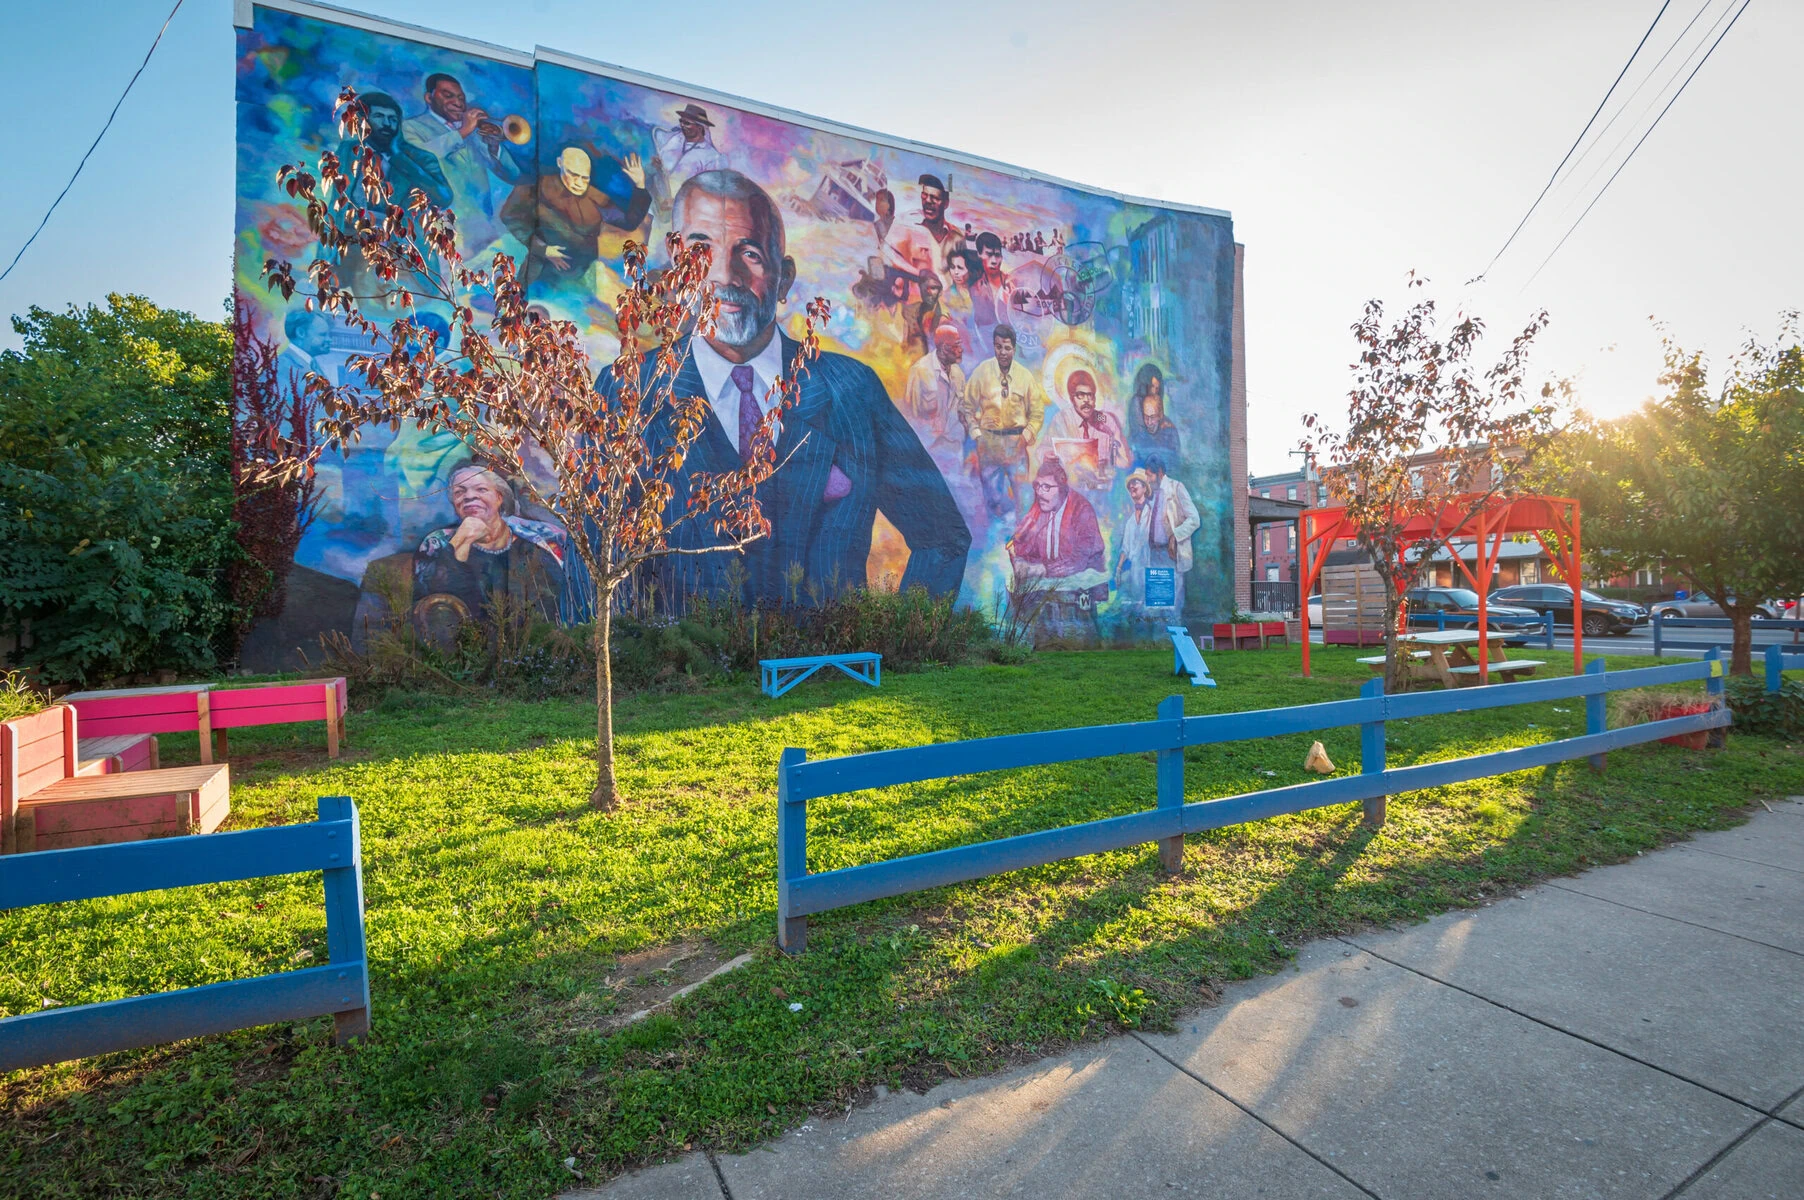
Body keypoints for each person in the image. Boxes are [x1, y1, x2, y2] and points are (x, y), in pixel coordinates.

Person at [593, 169, 969, 609]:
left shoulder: (851, 389)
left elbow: (942, 537)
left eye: (749, 253)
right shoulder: (629, 390)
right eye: (699, 250)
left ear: (784, 278)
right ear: (676, 271)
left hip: (829, 674)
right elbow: (592, 565)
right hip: (689, 675)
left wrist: (901, 643)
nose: (724, 276)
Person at [411, 461, 566, 629]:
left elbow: (551, 610)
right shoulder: (437, 545)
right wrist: (459, 543)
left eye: (481, 489)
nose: (469, 496)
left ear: (499, 497)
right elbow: (435, 608)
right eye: (459, 492)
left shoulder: (533, 549)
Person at [403, 73, 528, 253]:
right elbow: (419, 158)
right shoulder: (412, 127)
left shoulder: (475, 133)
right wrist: (462, 131)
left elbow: (513, 175)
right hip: (441, 228)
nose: (458, 103)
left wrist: (495, 147)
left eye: (461, 98)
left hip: (483, 228)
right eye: (448, 96)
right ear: (429, 98)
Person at [500, 145, 650, 288]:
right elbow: (510, 215)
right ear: (560, 164)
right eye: (573, 175)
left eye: (585, 178)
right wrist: (542, 248)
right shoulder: (537, 187)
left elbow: (629, 222)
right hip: (539, 271)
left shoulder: (596, 198)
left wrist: (640, 186)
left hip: (581, 274)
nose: (579, 183)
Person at [960, 323, 1047, 517]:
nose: (1003, 352)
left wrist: (1026, 435)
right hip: (988, 444)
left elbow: (1037, 411)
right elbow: (966, 406)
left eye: (1007, 348)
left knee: (1023, 500)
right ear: (994, 346)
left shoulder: (1024, 376)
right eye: (999, 347)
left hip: (1016, 443)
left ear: (1014, 349)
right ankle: (997, 542)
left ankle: (1022, 539)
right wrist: (976, 434)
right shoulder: (982, 372)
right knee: (993, 500)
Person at [1009, 455, 1107, 601]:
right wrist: (1020, 559)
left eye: (1046, 487)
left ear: (1061, 488)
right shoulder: (1040, 509)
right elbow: (1031, 548)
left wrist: (1041, 569)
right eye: (1037, 485)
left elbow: (1078, 561)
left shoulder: (1082, 510)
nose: (1040, 492)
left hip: (1084, 590)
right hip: (1050, 589)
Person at [1044, 368, 1129, 490]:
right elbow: (1042, 452)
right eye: (1080, 395)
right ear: (1072, 398)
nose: (1086, 400)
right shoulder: (1062, 419)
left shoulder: (1104, 419)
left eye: (1090, 395)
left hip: (1102, 489)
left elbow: (1125, 462)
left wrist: (1109, 462)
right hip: (1070, 488)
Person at [902, 322, 966, 457]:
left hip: (953, 447)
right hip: (927, 448)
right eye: (957, 345)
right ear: (944, 348)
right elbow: (909, 413)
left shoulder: (958, 374)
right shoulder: (920, 371)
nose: (961, 349)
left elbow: (962, 410)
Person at [654, 103, 730, 189]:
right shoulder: (675, 140)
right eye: (681, 121)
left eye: (686, 123)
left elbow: (713, 188)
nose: (682, 125)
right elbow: (662, 161)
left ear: (700, 128)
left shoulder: (712, 157)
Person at [1129, 363, 1182, 463]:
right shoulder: (1137, 402)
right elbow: (1141, 435)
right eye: (1152, 386)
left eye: (1157, 388)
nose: (1154, 391)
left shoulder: (1156, 401)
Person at [970, 231, 1011, 343]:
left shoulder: (1012, 283)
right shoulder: (975, 289)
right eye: (988, 254)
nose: (994, 261)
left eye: (997, 255)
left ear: (1002, 257)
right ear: (979, 254)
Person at [277, 310, 334, 389]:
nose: (329, 339)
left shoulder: (313, 365)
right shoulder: (281, 366)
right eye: (323, 334)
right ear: (301, 333)